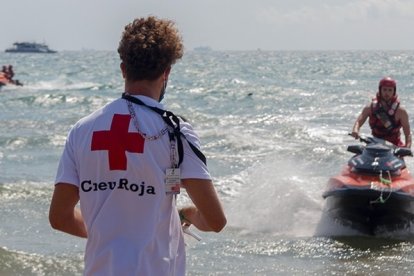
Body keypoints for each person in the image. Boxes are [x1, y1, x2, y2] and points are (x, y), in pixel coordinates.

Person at [49, 16, 226, 276]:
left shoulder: (82, 130)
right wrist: (187, 214)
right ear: (167, 72)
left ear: (123, 69)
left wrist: (109, 238)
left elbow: (59, 217)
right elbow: (216, 221)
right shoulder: (176, 131)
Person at [351, 76, 411, 148]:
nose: (387, 93)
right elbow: (359, 121)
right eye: (384, 90)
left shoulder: (401, 111)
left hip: (394, 145)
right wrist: (355, 130)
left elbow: (407, 134)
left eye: (390, 90)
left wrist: (407, 147)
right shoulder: (370, 107)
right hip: (375, 143)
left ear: (394, 91)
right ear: (380, 90)